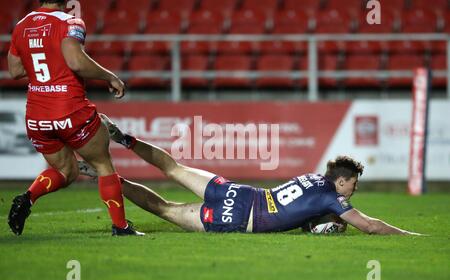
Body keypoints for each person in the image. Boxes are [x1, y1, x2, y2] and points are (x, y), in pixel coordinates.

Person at [78, 114, 422, 235]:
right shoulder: (331, 196)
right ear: (342, 181)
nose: (352, 192)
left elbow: (302, 212)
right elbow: (371, 226)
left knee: (175, 167)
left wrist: (320, 222)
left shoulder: (312, 179)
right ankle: (111, 179)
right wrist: (409, 235)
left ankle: (124, 139)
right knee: (165, 209)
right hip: (240, 217)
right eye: (353, 186)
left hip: (238, 192)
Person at [7, 0, 143, 236]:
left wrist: (45, 61)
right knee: (102, 165)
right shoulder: (69, 21)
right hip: (69, 109)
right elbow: (75, 61)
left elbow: (15, 70)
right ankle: (121, 227)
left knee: (65, 171)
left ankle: (28, 198)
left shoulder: (22, 24)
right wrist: (109, 76)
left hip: (37, 115)